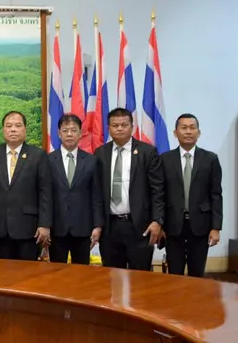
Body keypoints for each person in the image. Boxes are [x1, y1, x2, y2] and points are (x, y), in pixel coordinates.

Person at [95, 107, 164, 271]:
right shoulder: (100, 153)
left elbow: (158, 190)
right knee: (112, 277)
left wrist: (157, 221)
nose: (119, 129)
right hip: (110, 227)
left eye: (124, 125)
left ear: (132, 127)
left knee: (140, 277)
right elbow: (96, 193)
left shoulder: (148, 152)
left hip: (139, 226)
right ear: (109, 128)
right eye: (115, 125)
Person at [0, 111, 52, 261]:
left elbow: (45, 192)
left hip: (29, 228)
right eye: (9, 126)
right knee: (1, 272)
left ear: (25, 129)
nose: (13, 129)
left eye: (18, 126)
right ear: (3, 130)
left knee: (28, 272)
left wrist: (45, 224)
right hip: (0, 227)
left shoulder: (38, 155)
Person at [160, 113, 222, 277]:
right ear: (175, 133)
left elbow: (216, 194)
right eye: (184, 128)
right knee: (175, 272)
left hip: (201, 225)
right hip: (173, 225)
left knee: (197, 273)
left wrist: (216, 227)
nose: (188, 131)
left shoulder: (210, 159)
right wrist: (160, 223)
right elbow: (159, 194)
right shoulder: (165, 159)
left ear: (198, 132)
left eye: (192, 128)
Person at [48, 114, 104, 265]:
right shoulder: (47, 160)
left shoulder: (92, 161)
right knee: (56, 272)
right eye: (65, 130)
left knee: (82, 274)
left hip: (83, 228)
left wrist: (98, 226)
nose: (69, 134)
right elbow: (44, 196)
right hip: (56, 228)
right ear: (59, 133)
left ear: (80, 134)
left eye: (73, 130)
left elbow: (97, 196)